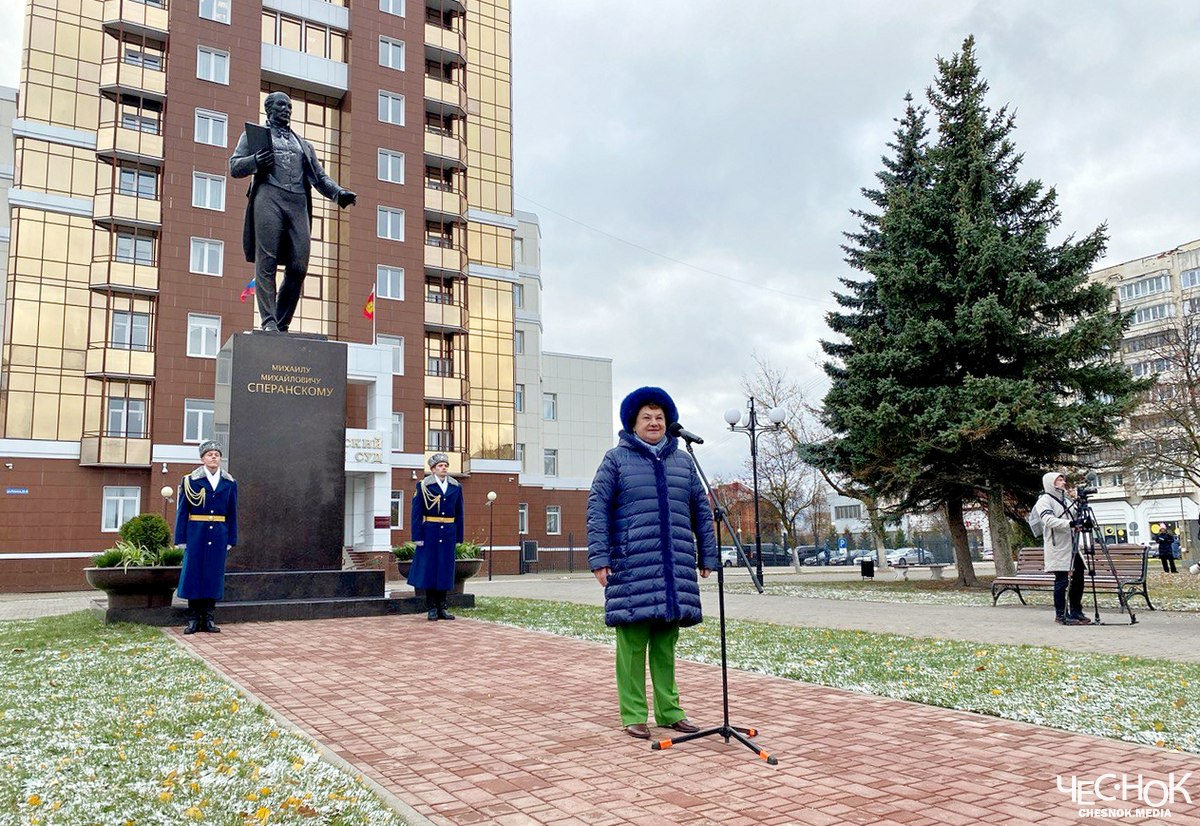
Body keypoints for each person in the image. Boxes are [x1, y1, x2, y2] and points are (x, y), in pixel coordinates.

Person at [587, 387, 719, 739]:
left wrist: (708, 555)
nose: (654, 423)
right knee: (631, 645)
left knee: (665, 643)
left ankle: (670, 710)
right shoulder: (615, 460)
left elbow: (701, 513)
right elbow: (597, 510)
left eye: (660, 417)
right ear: (633, 423)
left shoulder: (683, 461)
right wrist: (599, 557)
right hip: (631, 565)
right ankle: (633, 714)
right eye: (647, 417)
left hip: (674, 567)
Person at [229, 91, 357, 332]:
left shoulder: (303, 144)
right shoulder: (254, 136)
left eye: (289, 106)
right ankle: (269, 322)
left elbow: (319, 177)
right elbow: (234, 166)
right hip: (269, 197)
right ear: (269, 109)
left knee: (299, 266)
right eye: (281, 104)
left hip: (297, 201)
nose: (286, 109)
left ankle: (281, 320)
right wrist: (255, 161)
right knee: (266, 262)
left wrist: (339, 193)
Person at [175, 441, 238, 634]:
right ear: (202, 458)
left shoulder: (229, 482)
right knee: (193, 574)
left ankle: (209, 618)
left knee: (213, 574)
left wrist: (231, 539)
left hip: (219, 533)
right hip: (196, 533)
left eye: (216, 454)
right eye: (209, 454)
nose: (213, 457)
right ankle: (193, 619)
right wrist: (181, 538)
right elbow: (182, 511)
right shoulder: (190, 481)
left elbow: (232, 512)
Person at [409, 453, 464, 621]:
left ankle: (442, 607)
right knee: (431, 570)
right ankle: (431, 607)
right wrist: (417, 535)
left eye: (445, 465)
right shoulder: (424, 486)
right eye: (440, 465)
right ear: (432, 469)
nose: (444, 467)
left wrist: (458, 536)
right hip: (430, 532)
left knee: (445, 570)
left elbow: (459, 513)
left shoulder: (456, 486)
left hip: (448, 532)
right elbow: (416, 513)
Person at [1035, 471, 1091, 626]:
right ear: (1051, 482)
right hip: (1058, 547)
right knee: (1061, 580)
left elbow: (1073, 517)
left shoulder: (1065, 500)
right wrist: (1070, 524)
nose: (1063, 482)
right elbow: (1048, 520)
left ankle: (1076, 611)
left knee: (1078, 578)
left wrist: (1081, 518)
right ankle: (1061, 614)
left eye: (1063, 479)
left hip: (1072, 546)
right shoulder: (1044, 500)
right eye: (1059, 480)